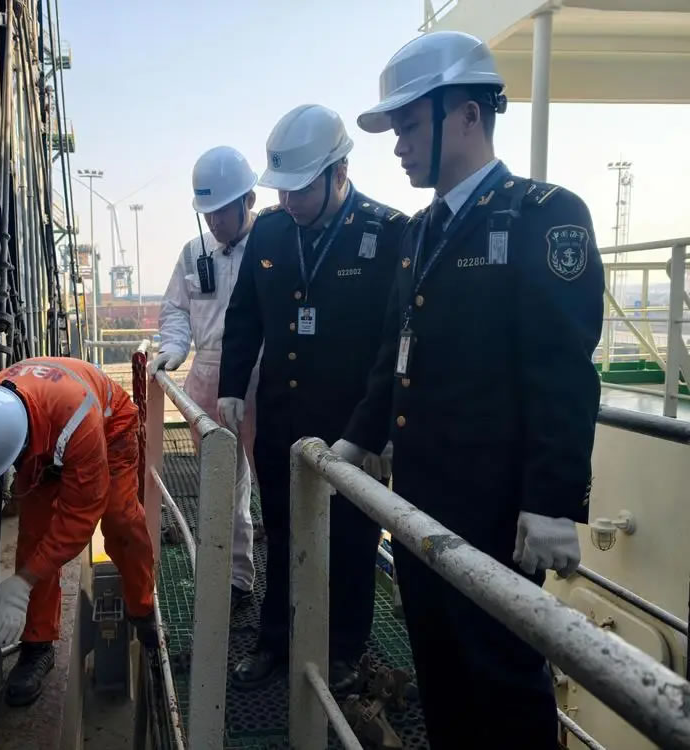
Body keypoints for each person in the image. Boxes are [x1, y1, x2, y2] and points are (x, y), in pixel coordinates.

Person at [334, 31, 604, 749]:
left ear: (467, 115)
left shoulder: (544, 215)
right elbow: (394, 355)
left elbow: (562, 369)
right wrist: (355, 441)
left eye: (408, 126)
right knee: (441, 673)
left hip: (495, 515)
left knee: (502, 681)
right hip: (419, 505)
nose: (397, 147)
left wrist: (552, 500)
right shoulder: (420, 232)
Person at [218, 104, 407, 691]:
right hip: (282, 420)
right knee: (281, 530)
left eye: (299, 188)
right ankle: (275, 639)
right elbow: (245, 314)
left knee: (351, 540)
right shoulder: (271, 231)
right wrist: (231, 388)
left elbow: (395, 343)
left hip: (353, 427)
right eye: (282, 189)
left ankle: (343, 652)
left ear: (339, 171)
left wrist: (379, 432)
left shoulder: (387, 232)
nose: (288, 201)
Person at [0, 357, 157, 707]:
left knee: (121, 520)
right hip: (45, 432)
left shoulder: (77, 417)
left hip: (107, 428)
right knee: (36, 533)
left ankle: (142, 608)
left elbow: (80, 513)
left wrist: (22, 583)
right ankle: (38, 644)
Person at [151, 145, 261, 610]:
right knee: (222, 485)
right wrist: (175, 348)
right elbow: (175, 308)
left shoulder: (270, 246)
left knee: (276, 483)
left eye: (222, 211)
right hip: (207, 379)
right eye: (207, 213)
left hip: (262, 377)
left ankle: (294, 585)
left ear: (248, 200)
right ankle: (233, 579)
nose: (214, 222)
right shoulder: (194, 253)